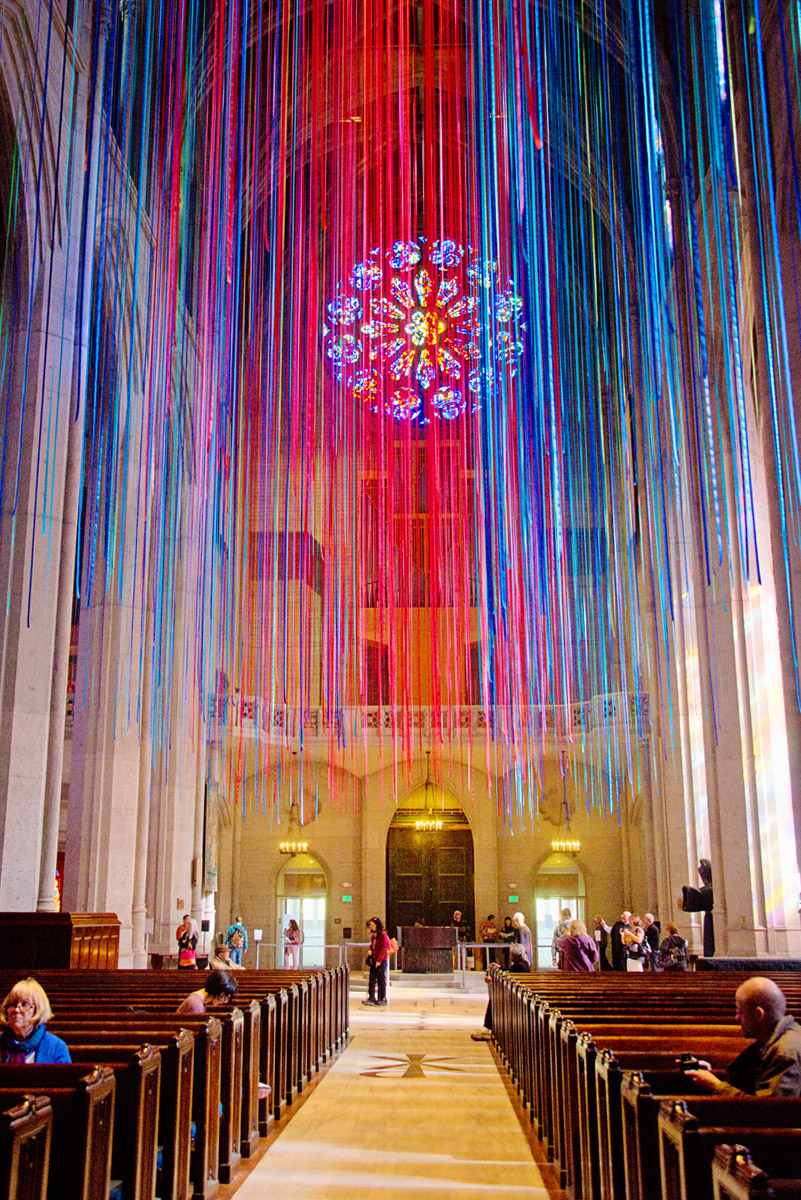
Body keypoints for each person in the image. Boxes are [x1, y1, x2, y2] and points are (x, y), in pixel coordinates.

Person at [687, 977, 801, 1097]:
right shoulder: (777, 1039)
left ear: (758, 1014)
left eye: (740, 1012)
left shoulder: (786, 1053)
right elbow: (760, 1086)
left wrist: (716, 1086)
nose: (737, 1018)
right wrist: (710, 1076)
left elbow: (768, 1109)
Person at [0, 979, 71, 1063]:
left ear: (38, 1010)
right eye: (12, 1003)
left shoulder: (56, 1047)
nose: (16, 1010)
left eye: (25, 1004)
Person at [471, 945, 530, 1040]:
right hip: (517, 994)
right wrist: (500, 968)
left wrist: (496, 974)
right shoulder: (522, 963)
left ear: (512, 955)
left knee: (495, 999)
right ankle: (488, 1028)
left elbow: (509, 977)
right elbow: (510, 973)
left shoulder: (520, 965)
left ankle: (488, 1029)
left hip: (517, 997)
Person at [679, 858, 715, 957]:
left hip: (713, 917)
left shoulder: (712, 889)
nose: (702, 877)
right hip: (709, 917)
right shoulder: (707, 889)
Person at [362, 916, 391, 1007]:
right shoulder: (373, 935)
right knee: (372, 979)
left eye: (373, 925)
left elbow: (384, 948)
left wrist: (379, 960)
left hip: (381, 961)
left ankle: (382, 997)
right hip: (374, 959)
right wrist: (370, 950)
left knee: (381, 980)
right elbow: (372, 945)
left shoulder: (383, 935)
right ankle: (371, 997)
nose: (371, 927)